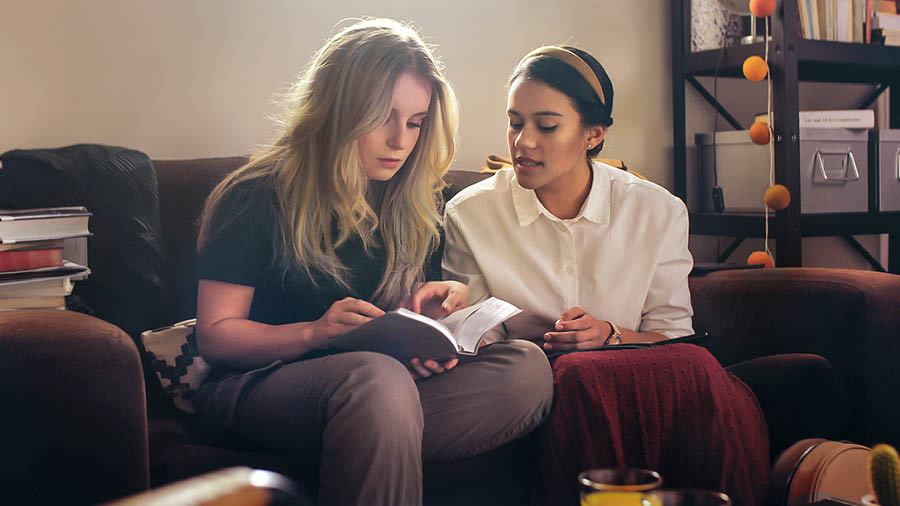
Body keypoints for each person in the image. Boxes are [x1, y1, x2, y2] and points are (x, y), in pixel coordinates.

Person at [192, 19, 553, 506]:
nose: (400, 141)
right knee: (378, 383)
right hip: (255, 387)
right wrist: (315, 332)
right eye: (383, 117)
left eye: (415, 122)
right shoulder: (255, 194)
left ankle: (362, 446)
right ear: (339, 109)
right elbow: (216, 336)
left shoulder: (415, 203)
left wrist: (436, 319)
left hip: (376, 395)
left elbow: (398, 326)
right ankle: (365, 441)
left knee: (526, 369)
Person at [442, 46, 770, 505]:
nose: (523, 142)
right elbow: (480, 348)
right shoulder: (470, 214)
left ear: (593, 134)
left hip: (648, 377)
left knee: (700, 368)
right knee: (578, 375)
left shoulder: (657, 211)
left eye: (547, 125)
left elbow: (674, 337)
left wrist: (610, 335)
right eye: (515, 122)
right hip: (545, 387)